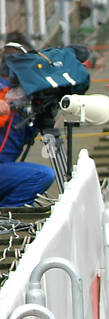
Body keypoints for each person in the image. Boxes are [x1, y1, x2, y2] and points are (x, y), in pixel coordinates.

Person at [0, 42, 56, 207]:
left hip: (5, 165)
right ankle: (7, 220)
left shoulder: (24, 98)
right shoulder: (5, 91)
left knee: (40, 175)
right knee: (41, 175)